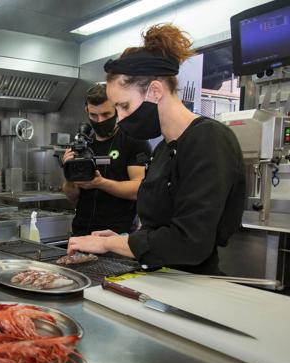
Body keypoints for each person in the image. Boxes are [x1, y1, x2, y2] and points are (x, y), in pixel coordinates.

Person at [67, 24, 245, 275]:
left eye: (124, 106)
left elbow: (190, 242)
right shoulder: (163, 149)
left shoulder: (209, 139)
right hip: (160, 278)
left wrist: (111, 243)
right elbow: (160, 225)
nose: (120, 118)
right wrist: (125, 239)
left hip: (192, 283)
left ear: (155, 91)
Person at [62, 83, 150, 236]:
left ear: (117, 109)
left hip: (118, 235)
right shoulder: (82, 145)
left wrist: (101, 183)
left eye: (106, 115)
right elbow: (72, 196)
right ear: (87, 110)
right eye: (93, 116)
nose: (100, 120)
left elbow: (139, 189)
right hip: (82, 233)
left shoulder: (134, 140)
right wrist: (69, 173)